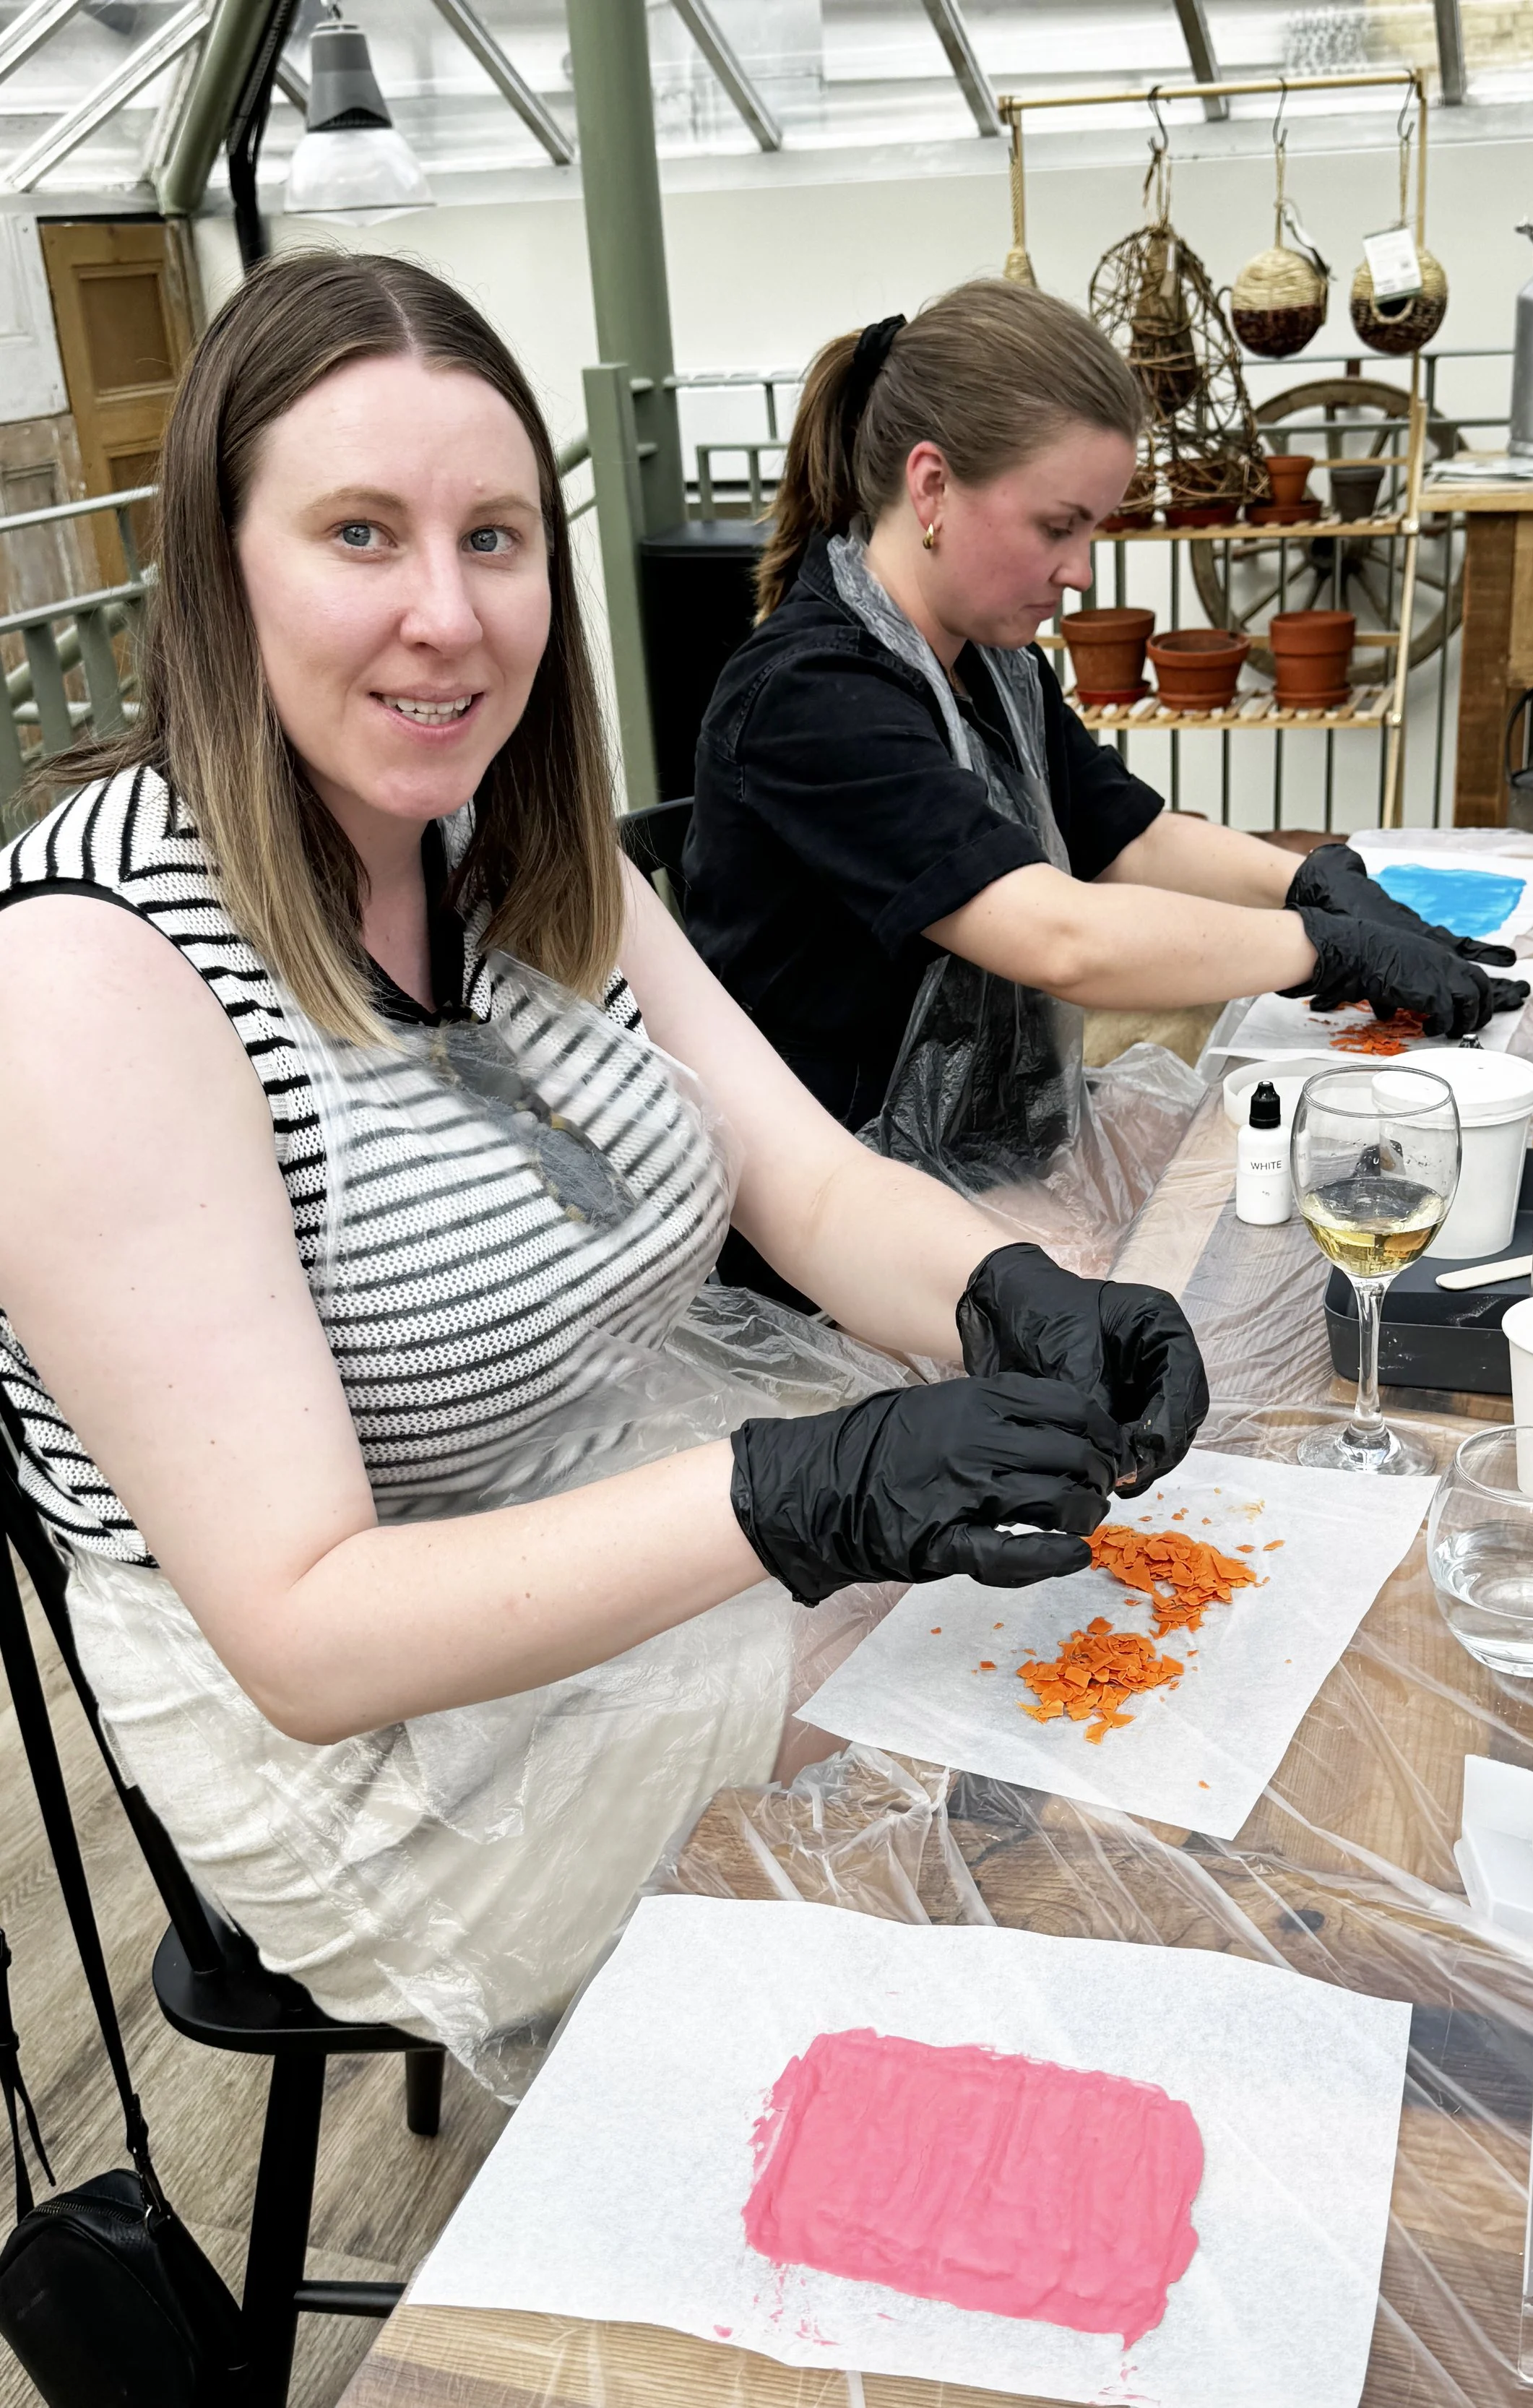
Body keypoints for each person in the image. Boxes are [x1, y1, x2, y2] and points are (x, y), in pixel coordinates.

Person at [0, 254, 1206, 2091]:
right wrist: (803, 1493)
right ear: (218, 565)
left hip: (605, 1522)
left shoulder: (498, 834)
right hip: (373, 1765)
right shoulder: (86, 979)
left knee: (1065, 1654)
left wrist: (1001, 1298)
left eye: (493, 538)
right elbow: (308, 1638)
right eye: (356, 532)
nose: (447, 615)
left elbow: (798, 1183)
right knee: (1014, 1779)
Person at [684, 282, 1526, 1291]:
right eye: (1057, 526)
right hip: (827, 1206)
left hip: (987, 1143)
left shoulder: (989, 665)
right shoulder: (812, 695)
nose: (1081, 573)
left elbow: (1126, 833)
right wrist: (1321, 952)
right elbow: (1059, 937)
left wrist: (1318, 881)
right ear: (934, 487)